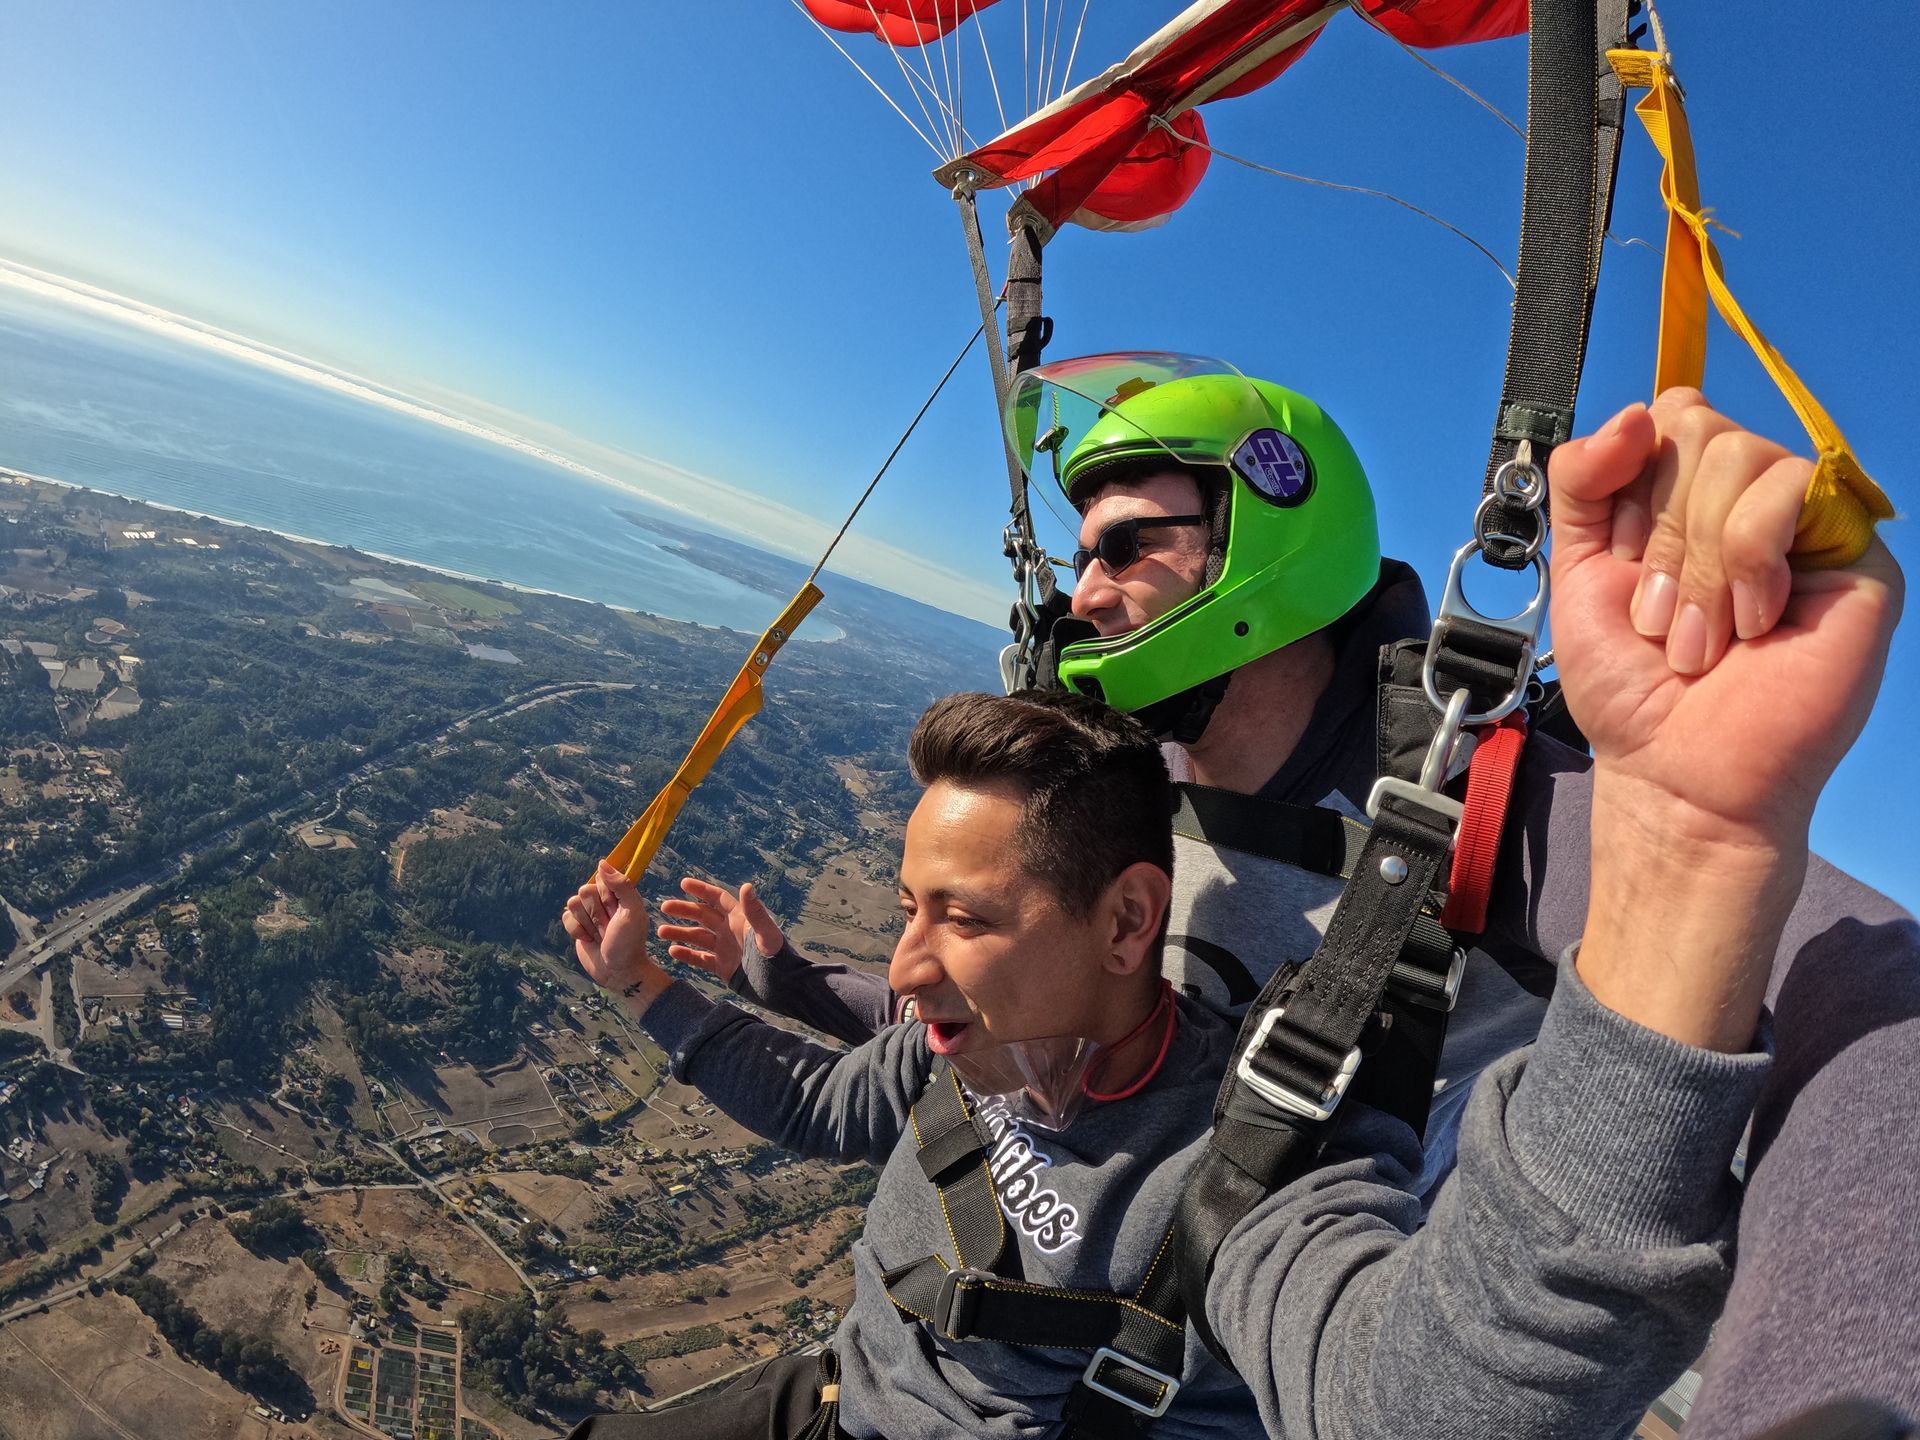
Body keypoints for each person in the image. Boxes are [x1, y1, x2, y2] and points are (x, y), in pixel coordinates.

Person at [655, 361, 1917, 1434]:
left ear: (1265, 536)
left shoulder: (1496, 805)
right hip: (882, 1376)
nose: (1081, 593)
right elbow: (1008, 1005)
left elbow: (1880, 1030)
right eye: (1080, 552)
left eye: (1127, 547)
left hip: (1213, 1347)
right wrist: (780, 976)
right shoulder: (1130, 775)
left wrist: (1818, 1398)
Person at [561, 676, 1784, 1439]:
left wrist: (1696, 860)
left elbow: (1412, 1402)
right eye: (907, 909)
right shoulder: (966, 1037)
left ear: (1130, 923)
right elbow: (824, 1101)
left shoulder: (1242, 1169)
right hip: (836, 1396)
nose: (904, 968)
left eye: (966, 918)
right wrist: (649, 989)